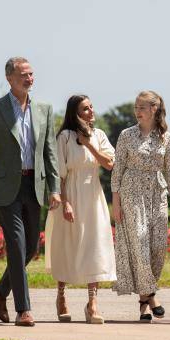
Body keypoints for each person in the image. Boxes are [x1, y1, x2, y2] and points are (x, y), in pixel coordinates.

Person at [0, 57, 61, 327]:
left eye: (31, 74)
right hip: (5, 188)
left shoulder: (44, 109)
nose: (29, 79)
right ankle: (24, 310)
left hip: (34, 185)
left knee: (31, 247)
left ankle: (0, 291)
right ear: (10, 78)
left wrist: (55, 188)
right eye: (24, 74)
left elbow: (50, 152)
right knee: (16, 245)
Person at [45, 95, 116, 324]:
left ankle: (92, 302)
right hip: (71, 194)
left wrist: (88, 144)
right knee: (67, 243)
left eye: (91, 107)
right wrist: (65, 202)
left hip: (93, 195)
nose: (91, 111)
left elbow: (109, 163)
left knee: (94, 245)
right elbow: (59, 174)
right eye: (86, 108)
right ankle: (61, 295)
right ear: (75, 113)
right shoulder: (65, 137)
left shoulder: (99, 135)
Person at [111, 90, 170, 322]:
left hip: (157, 195)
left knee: (158, 248)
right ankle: (152, 296)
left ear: (154, 109)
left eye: (142, 107)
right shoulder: (126, 135)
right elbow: (117, 170)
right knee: (140, 244)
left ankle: (144, 301)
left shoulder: (166, 138)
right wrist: (116, 203)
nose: (137, 111)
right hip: (132, 193)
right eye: (136, 107)